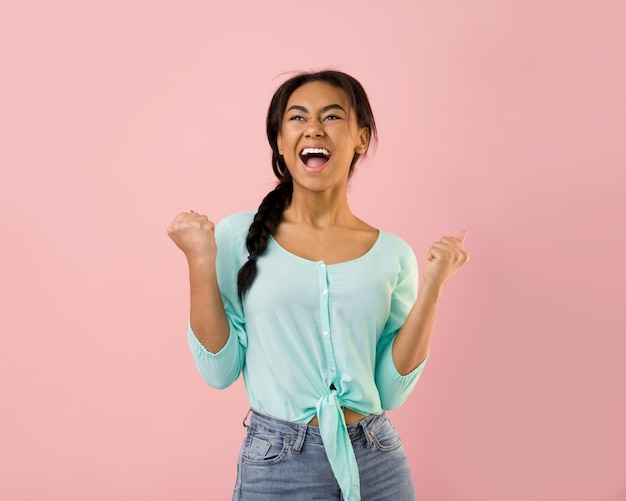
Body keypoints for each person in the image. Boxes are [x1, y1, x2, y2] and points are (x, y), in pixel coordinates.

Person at [167, 70, 469, 501]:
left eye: (331, 116)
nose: (313, 128)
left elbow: (389, 390)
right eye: (297, 118)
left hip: (377, 460)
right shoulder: (236, 238)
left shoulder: (393, 255)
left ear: (361, 139)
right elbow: (219, 371)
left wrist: (435, 284)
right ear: (279, 140)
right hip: (279, 465)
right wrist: (199, 259)